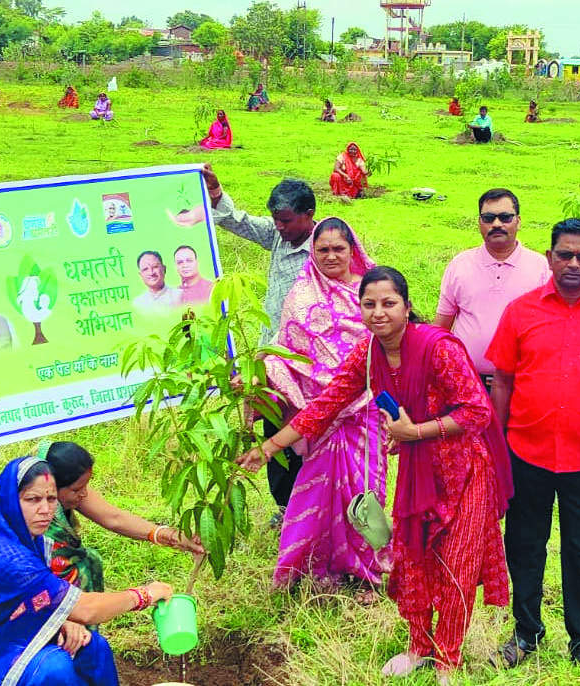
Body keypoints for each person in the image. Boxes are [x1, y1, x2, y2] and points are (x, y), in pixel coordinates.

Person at [237, 266, 513, 684]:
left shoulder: (439, 348)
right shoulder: (368, 354)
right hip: (419, 470)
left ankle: (448, 660)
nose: (378, 313)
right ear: (360, 308)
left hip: (465, 469)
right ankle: (420, 647)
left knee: (455, 564)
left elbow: (477, 411)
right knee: (414, 559)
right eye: (369, 304)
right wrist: (268, 447)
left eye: (389, 303)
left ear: (406, 306)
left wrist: (413, 432)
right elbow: (325, 406)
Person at [486, 219, 580, 681]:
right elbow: (502, 379)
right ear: (549, 257)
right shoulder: (521, 311)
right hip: (527, 451)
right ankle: (526, 632)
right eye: (564, 254)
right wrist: (500, 445)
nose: (572, 264)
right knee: (525, 545)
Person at [0, 454, 175, 685]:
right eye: (32, 499)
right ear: (10, 500)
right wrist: (146, 594)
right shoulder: (6, 555)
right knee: (54, 668)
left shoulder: (15, 532)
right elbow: (87, 610)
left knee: (92, 647)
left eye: (51, 499)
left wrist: (57, 618)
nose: (45, 510)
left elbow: (23, 600)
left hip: (3, 633)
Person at [263, 218, 389, 599]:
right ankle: (320, 567)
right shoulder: (300, 297)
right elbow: (284, 355)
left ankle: (368, 571)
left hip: (367, 411)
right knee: (319, 492)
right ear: (313, 253)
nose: (331, 256)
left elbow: (390, 348)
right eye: (323, 250)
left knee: (366, 491)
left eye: (339, 248)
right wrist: (260, 374)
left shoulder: (371, 296)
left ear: (353, 250)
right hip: (319, 414)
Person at [202, 168, 317, 520]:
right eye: (276, 220)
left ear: (308, 215)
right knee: (273, 431)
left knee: (305, 435)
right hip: (271, 359)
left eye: (286, 220)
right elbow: (241, 222)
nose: (279, 227)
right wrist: (217, 191)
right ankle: (284, 507)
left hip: (307, 362)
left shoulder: (326, 246)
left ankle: (310, 508)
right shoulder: (280, 237)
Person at [0, 442, 203, 594]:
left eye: (86, 486)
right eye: (78, 489)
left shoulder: (56, 484)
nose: (84, 495)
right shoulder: (10, 528)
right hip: (6, 601)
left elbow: (114, 517)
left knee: (87, 563)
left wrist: (171, 536)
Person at [433, 189, 550, 390]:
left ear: (518, 221)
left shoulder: (540, 267)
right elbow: (441, 329)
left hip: (520, 384)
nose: (496, 224)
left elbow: (549, 330)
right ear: (480, 222)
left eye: (505, 217)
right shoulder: (460, 265)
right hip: (466, 382)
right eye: (489, 218)